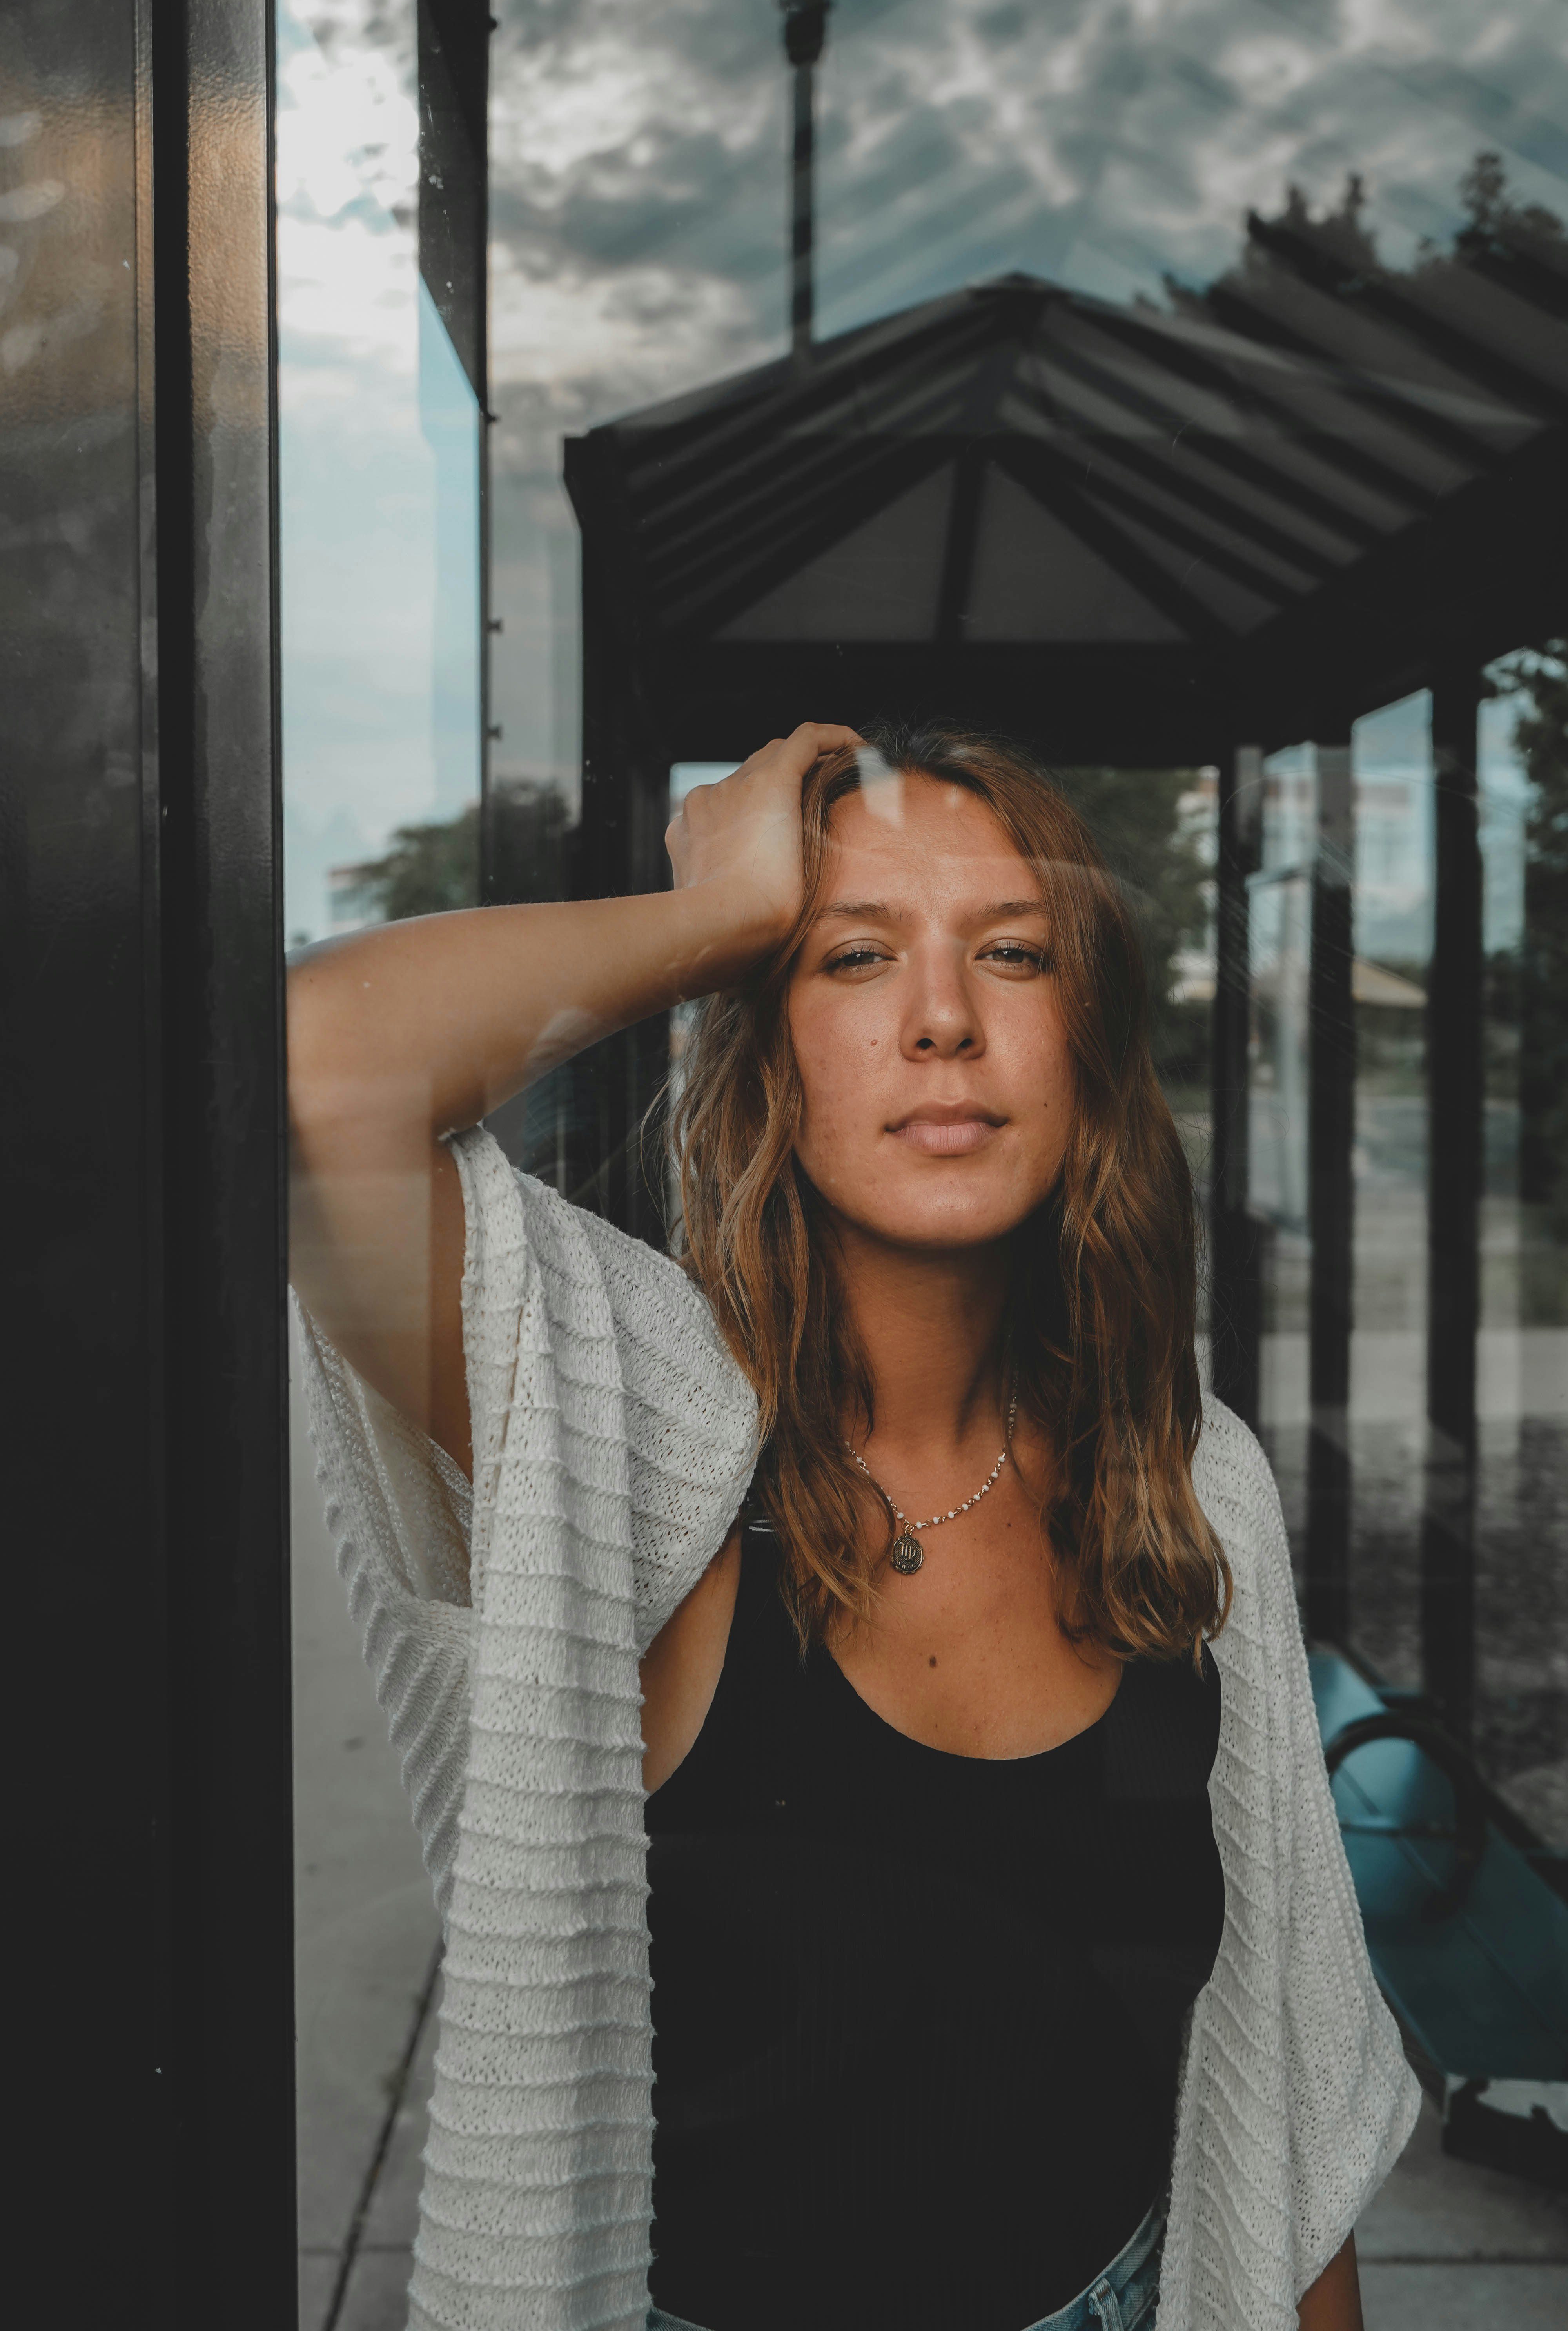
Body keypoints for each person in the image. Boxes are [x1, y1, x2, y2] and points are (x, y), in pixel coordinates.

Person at [288, 722, 1418, 2331]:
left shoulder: (1183, 1474)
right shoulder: (627, 1425)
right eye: (855, 957)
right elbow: (312, 1072)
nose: (943, 1019)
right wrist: (716, 916)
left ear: (1084, 1047)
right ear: (763, 1042)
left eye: (1010, 955)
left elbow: (1288, 2086)